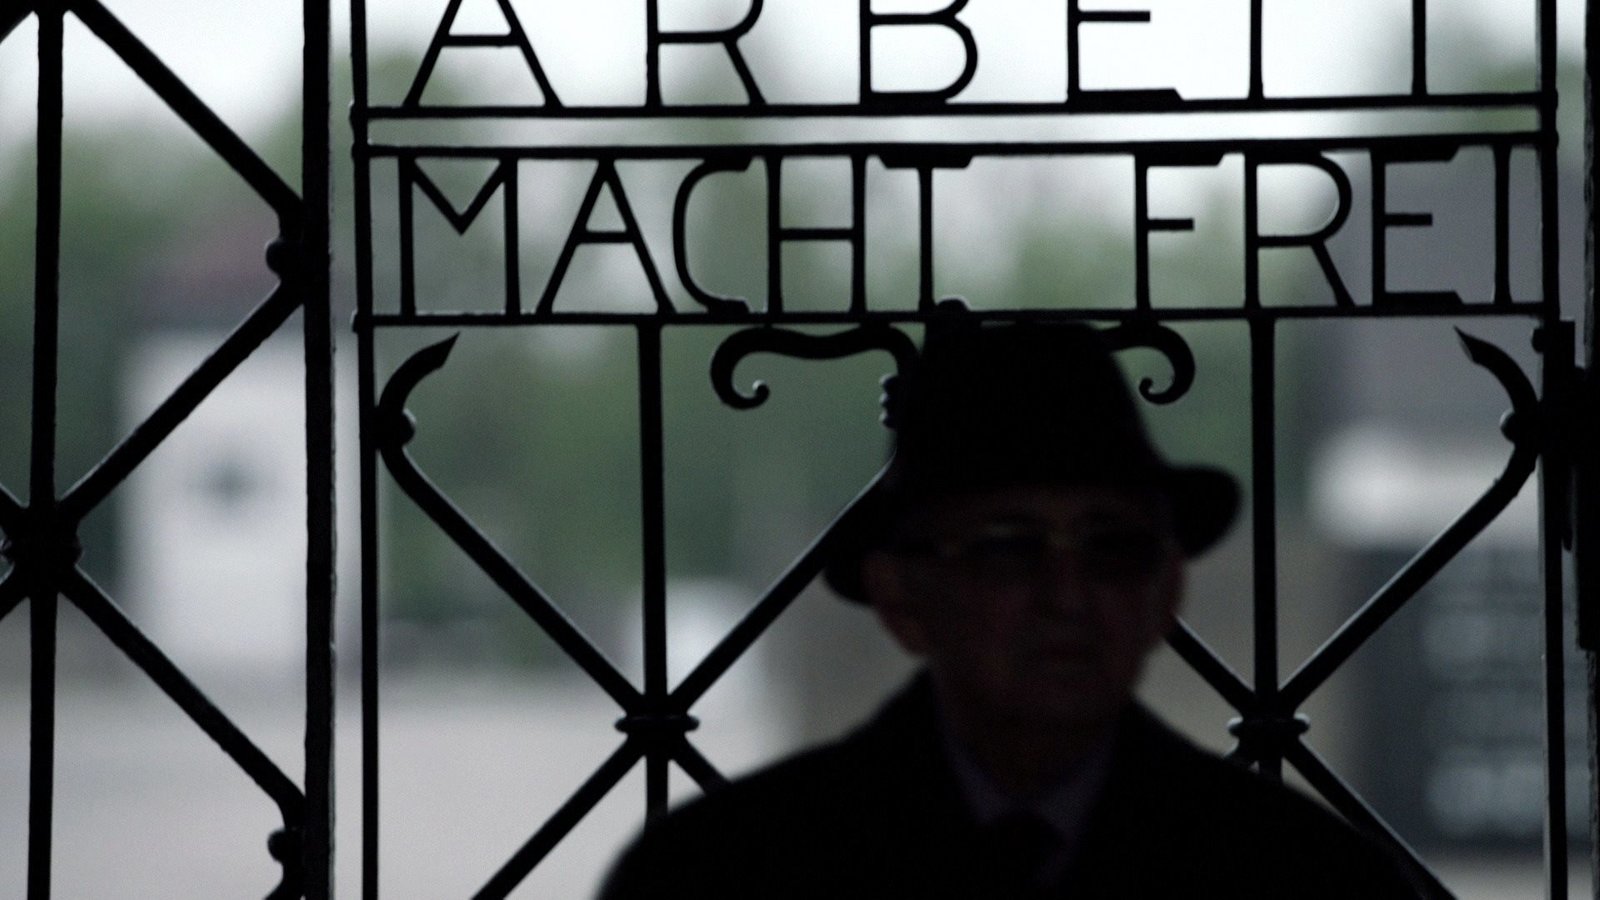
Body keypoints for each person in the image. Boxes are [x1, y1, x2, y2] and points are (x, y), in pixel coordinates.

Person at [599, 321, 1420, 898]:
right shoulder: (718, 876)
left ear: (1166, 589)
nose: (1067, 597)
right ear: (902, 598)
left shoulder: (1310, 879)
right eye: (1007, 549)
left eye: (1113, 548)